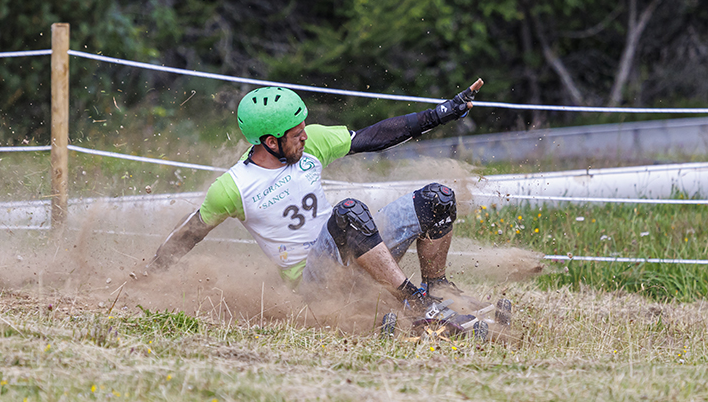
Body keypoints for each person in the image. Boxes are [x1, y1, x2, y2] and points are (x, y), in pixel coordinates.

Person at [143, 79, 483, 317]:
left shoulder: (311, 144)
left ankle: (437, 289)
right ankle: (414, 301)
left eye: (304, 128)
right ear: (270, 142)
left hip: (353, 254)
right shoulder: (233, 187)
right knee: (349, 212)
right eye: (296, 134)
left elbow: (375, 136)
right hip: (315, 284)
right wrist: (147, 279)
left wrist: (438, 114)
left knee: (437, 198)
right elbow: (187, 234)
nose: (306, 136)